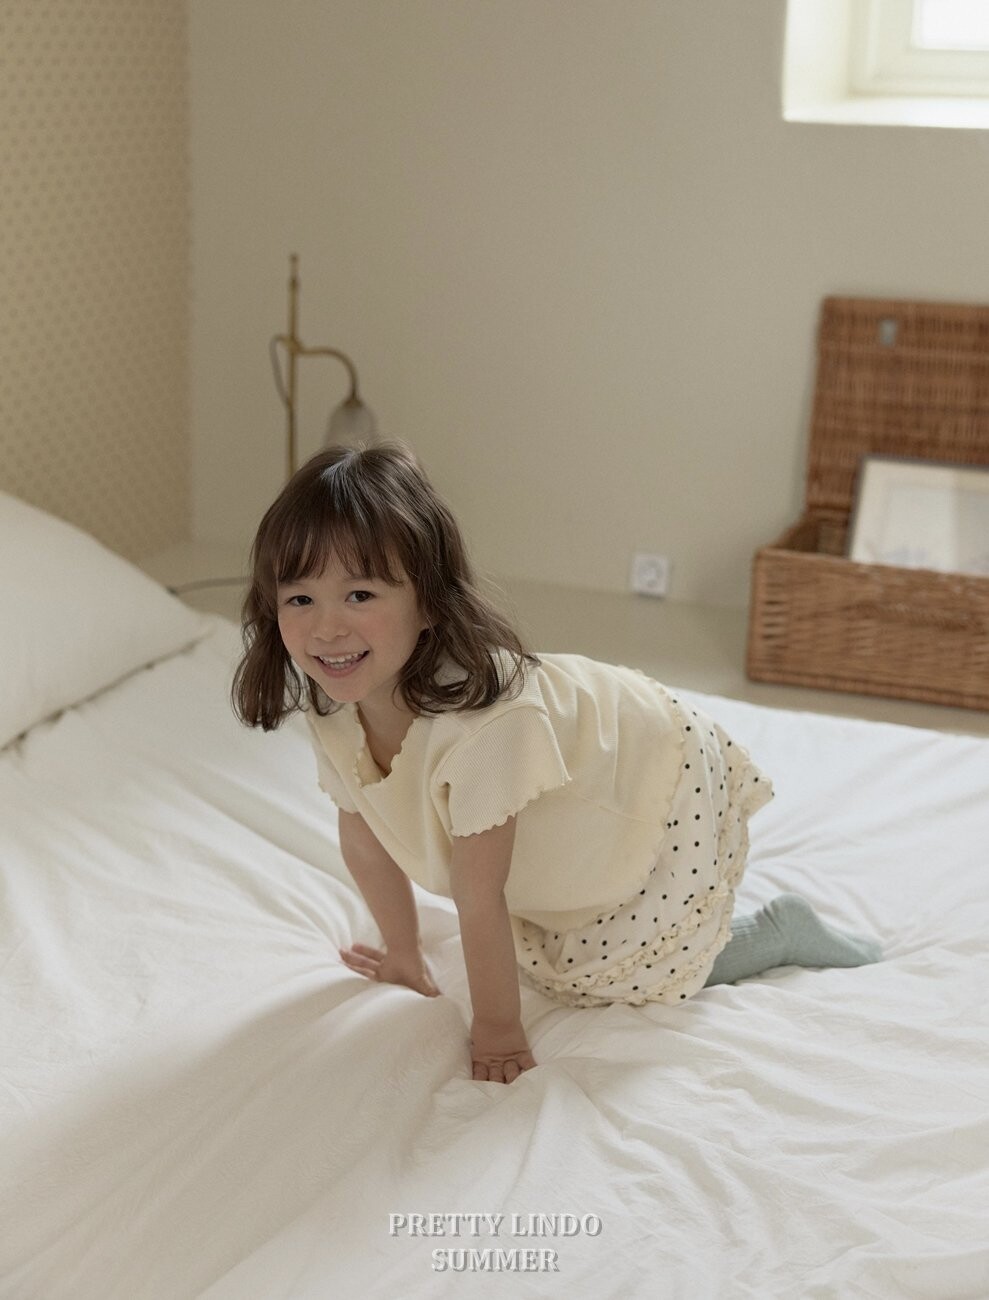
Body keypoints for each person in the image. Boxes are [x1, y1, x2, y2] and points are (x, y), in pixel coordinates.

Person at [232, 443, 882, 1085]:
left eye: (359, 594)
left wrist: (498, 1030)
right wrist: (402, 953)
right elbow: (364, 837)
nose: (326, 630)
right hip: (566, 793)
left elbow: (477, 894)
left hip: (640, 776)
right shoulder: (334, 701)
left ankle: (775, 933)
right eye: (300, 600)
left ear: (427, 602)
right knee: (545, 951)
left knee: (620, 974)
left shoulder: (481, 728)